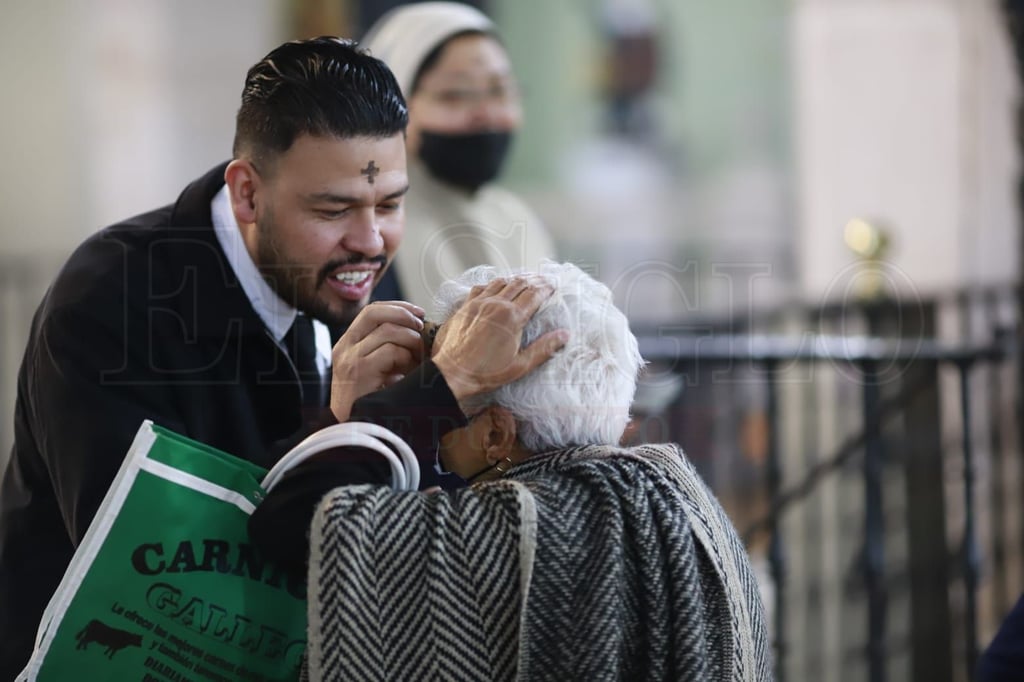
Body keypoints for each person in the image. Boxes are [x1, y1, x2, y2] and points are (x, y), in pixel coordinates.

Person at [0, 37, 566, 680]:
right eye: (332, 209)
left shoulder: (340, 270)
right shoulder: (115, 299)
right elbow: (166, 575)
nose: (371, 242)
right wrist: (370, 422)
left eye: (390, 203)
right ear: (247, 194)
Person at [252, 262, 772, 681]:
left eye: (453, 398)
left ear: (497, 435)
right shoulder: (684, 499)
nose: (441, 410)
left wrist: (400, 397)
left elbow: (292, 520)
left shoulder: (493, 533)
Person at [361, 2, 557, 309]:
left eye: (500, 90)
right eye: (456, 94)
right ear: (393, 104)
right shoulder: (368, 232)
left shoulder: (517, 219)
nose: (486, 114)